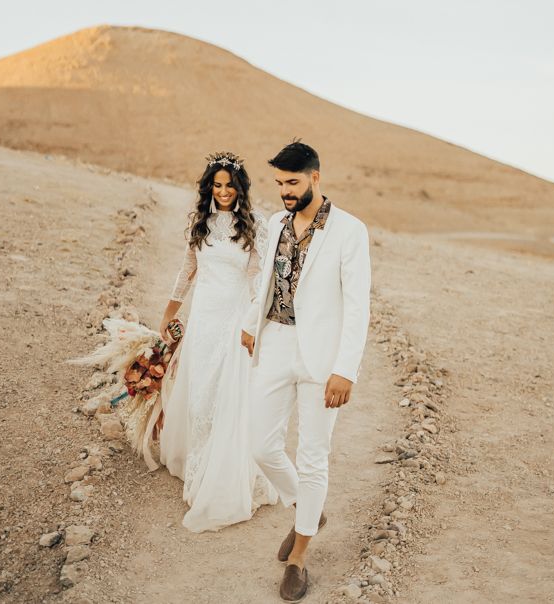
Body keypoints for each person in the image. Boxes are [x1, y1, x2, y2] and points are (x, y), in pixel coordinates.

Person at [242, 142, 371, 601]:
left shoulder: (350, 231)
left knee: (313, 455)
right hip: (275, 341)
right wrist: (250, 324)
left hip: (322, 358)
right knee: (261, 446)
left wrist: (346, 370)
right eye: (278, 184)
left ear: (316, 177)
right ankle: (308, 510)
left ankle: (298, 558)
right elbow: (265, 280)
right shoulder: (275, 222)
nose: (284, 192)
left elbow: (358, 307)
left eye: (292, 183)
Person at [159, 152, 277, 532]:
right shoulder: (202, 224)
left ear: (240, 188)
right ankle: (199, 460)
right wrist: (169, 313)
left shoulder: (254, 226)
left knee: (226, 395)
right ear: (209, 187)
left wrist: (253, 323)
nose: (223, 191)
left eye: (230, 185)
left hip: (234, 320)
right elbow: (187, 271)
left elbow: (259, 279)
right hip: (204, 320)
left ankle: (219, 477)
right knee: (200, 395)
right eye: (217, 184)